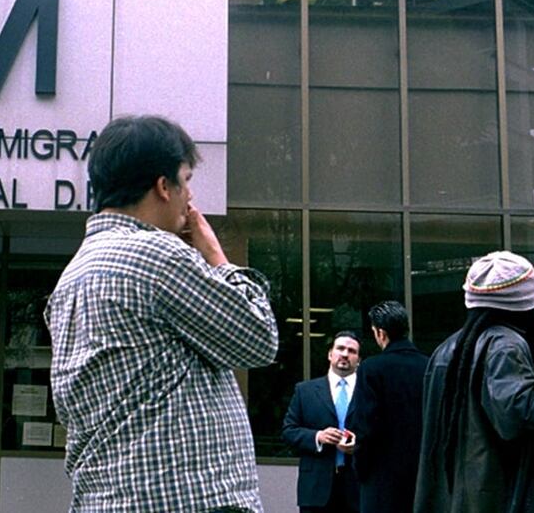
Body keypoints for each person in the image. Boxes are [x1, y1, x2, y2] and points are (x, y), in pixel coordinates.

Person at [44, 115, 279, 512]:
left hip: (107, 497)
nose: (190, 197)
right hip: (185, 498)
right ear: (162, 186)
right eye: (186, 180)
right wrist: (216, 256)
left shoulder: (73, 276)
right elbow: (258, 339)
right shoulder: (157, 255)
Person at [414, 251, 534, 513]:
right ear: (527, 304)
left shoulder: (448, 349)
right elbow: (522, 409)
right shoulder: (504, 347)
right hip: (499, 499)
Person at [348, 301, 427, 513]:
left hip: (381, 476)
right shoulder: (429, 365)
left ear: (381, 333)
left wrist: (361, 466)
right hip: (422, 474)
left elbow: (366, 424)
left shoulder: (372, 368)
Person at [282, 331, 362, 513]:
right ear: (330, 354)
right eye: (340, 348)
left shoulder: (369, 392)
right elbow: (288, 431)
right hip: (315, 488)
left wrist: (360, 443)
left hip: (358, 487)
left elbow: (382, 433)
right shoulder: (305, 391)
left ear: (358, 359)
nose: (345, 354)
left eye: (351, 351)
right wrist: (318, 436)